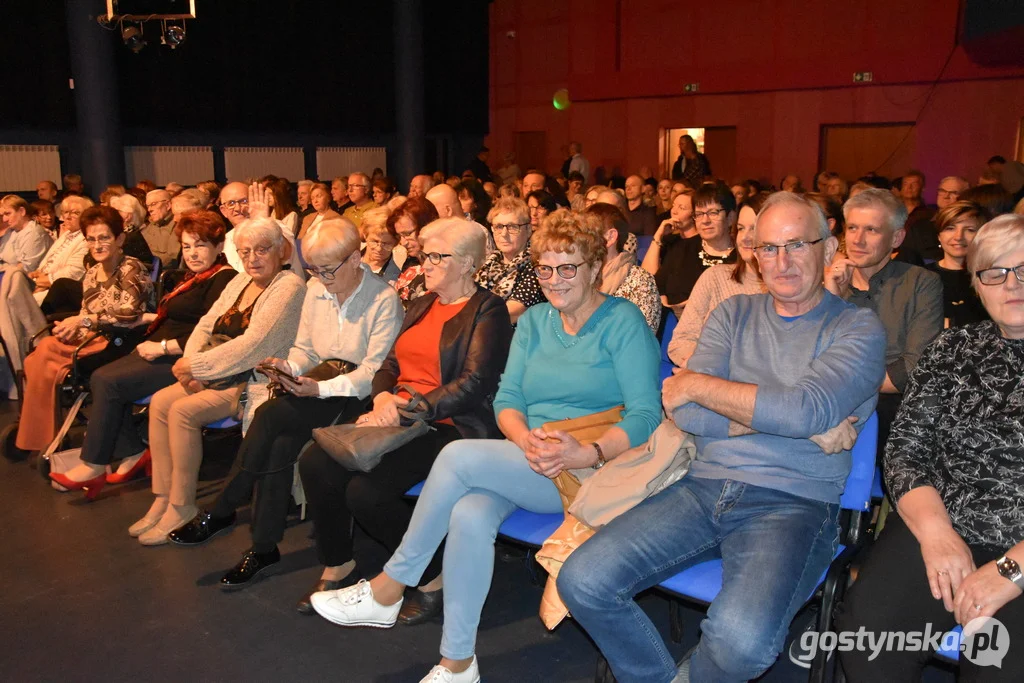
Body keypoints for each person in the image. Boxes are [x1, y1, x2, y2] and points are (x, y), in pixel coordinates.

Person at [308, 209, 661, 683]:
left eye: (568, 267)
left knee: (456, 454)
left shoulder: (623, 320)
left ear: (596, 267)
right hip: (529, 456)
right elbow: (509, 399)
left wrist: (588, 452)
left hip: (594, 466)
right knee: (468, 514)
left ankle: (389, 587)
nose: (554, 279)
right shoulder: (535, 321)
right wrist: (523, 438)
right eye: (545, 268)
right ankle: (457, 663)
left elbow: (645, 414)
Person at [558, 191, 886, 683]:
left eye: (798, 244)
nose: (782, 261)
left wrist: (699, 384)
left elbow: (804, 408)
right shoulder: (733, 315)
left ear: (830, 246)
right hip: (701, 484)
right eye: (769, 248)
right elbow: (689, 416)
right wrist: (801, 425)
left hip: (793, 503)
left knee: (741, 646)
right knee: (581, 580)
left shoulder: (857, 328)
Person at [837, 214, 1024, 681]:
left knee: (997, 666)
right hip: (942, 523)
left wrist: (1010, 570)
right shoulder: (952, 349)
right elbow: (904, 450)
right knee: (867, 644)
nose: (1011, 284)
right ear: (977, 285)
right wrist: (937, 534)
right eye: (994, 272)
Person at [298, 218, 513, 623]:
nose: (425, 264)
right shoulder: (422, 303)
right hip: (396, 415)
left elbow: (474, 384)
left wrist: (405, 408)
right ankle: (339, 563)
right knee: (315, 462)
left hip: (451, 427)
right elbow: (390, 363)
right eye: (424, 254)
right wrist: (381, 394)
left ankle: (433, 578)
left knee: (366, 492)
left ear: (467, 263)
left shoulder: (488, 309)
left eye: (437, 256)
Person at [169, 220, 403, 589]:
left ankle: (223, 510)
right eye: (314, 269)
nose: (322, 278)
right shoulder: (314, 288)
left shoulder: (383, 299)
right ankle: (261, 545)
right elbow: (306, 349)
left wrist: (318, 390)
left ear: (356, 258)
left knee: (270, 415)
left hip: (356, 396)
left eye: (329, 269)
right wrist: (288, 367)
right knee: (277, 440)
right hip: (319, 384)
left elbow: (373, 373)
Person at [130, 217, 306, 546]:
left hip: (252, 382)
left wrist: (198, 367)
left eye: (261, 250)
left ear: (281, 251)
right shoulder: (239, 282)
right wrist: (191, 363)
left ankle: (182, 505)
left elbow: (254, 347)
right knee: (160, 402)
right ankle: (163, 498)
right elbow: (206, 324)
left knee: (182, 411)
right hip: (214, 372)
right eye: (245, 251)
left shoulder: (289, 287)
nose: (253, 258)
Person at [50, 210, 235, 493]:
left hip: (182, 357)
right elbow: (174, 315)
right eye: (187, 247)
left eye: (200, 245)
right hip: (158, 346)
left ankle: (94, 464)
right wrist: (146, 322)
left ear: (219, 246)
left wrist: (160, 347)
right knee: (102, 376)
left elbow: (211, 333)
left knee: (107, 381)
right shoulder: (194, 277)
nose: (192, 253)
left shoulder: (223, 279)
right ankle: (134, 453)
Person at [17, 206, 152, 457]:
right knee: (37, 355)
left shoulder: (132, 268)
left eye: (104, 238)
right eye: (91, 239)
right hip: (97, 338)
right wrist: (73, 329)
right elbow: (84, 314)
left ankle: (43, 436)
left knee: (45, 352)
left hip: (125, 341)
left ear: (119, 239)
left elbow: (129, 314)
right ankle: (43, 432)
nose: (97, 245)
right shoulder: (91, 273)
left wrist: (84, 322)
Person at [826, 188, 943, 453]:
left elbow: (914, 368)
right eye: (853, 228)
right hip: (833, 412)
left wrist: (846, 383)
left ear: (897, 237)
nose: (858, 240)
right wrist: (832, 298)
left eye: (872, 230)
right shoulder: (828, 284)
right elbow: (813, 358)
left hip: (898, 418)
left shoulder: (921, 283)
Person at [668, 193, 768, 366]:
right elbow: (681, 341)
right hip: (707, 380)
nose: (745, 237)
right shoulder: (715, 277)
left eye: (755, 229)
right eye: (741, 228)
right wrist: (704, 367)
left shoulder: (786, 290)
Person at [0, 196, 91, 382]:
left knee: (16, 306)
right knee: (12, 301)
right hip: (42, 285)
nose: (67, 217)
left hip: (66, 292)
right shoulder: (65, 235)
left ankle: (22, 364)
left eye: (74, 213)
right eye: (65, 212)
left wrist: (41, 279)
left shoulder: (86, 237)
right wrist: (36, 275)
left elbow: (73, 272)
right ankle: (15, 365)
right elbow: (45, 263)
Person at [646, 183, 737, 318]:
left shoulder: (741, 257)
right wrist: (668, 306)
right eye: (699, 214)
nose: (705, 220)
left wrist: (695, 305)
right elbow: (657, 285)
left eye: (713, 213)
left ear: (730, 217)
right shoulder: (682, 248)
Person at [585, 203, 661, 331]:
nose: (579, 240)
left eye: (588, 234)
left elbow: (639, 338)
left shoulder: (640, 281)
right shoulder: (580, 275)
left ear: (610, 237)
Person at [474, 198, 546, 323]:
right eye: (499, 227)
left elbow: (511, 311)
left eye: (512, 227)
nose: (504, 234)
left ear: (528, 229)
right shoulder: (488, 263)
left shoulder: (537, 266)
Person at [926, 201, 991, 328]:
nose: (958, 237)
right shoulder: (922, 276)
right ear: (939, 235)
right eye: (950, 228)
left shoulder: (991, 278)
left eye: (970, 230)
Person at [392, 197, 441, 305]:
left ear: (426, 226)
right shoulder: (409, 263)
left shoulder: (445, 264)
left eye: (407, 234)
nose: (403, 242)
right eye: (400, 236)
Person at [0, 195, 51, 273]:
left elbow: (26, 268)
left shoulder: (34, 233)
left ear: (22, 211)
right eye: (2, 215)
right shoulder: (11, 231)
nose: (4, 219)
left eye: (7, 214)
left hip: (27, 281)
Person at [360, 208, 402, 283]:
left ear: (395, 243)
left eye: (386, 244)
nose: (379, 249)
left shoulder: (394, 278)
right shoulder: (348, 256)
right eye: (374, 241)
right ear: (365, 235)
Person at [142, 189, 179, 267]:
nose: (149, 209)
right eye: (148, 206)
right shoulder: (149, 226)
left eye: (153, 204)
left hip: (162, 273)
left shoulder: (176, 225)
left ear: (168, 205)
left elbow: (172, 259)